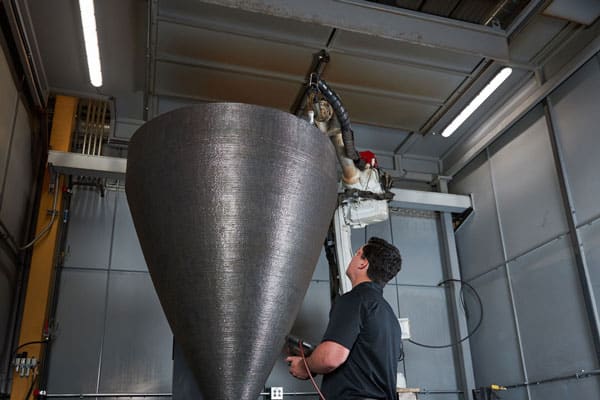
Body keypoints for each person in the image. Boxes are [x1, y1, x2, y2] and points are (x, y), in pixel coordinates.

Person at [287, 236, 403, 400]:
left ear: (363, 263)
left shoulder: (355, 299)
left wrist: (304, 366)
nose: (353, 257)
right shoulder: (389, 315)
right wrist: (314, 357)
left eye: (357, 253)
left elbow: (330, 358)